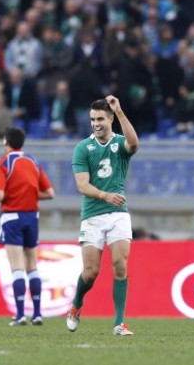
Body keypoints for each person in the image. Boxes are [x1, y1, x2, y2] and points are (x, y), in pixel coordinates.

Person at [67, 96, 139, 336]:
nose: (96, 123)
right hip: (93, 215)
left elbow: (134, 144)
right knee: (90, 273)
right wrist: (105, 195)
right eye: (92, 119)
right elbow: (82, 185)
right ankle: (77, 305)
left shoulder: (120, 144)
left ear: (109, 119)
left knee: (120, 265)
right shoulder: (83, 148)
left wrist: (119, 110)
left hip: (118, 213)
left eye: (100, 118)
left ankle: (119, 323)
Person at [0, 127, 55, 326]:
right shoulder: (33, 161)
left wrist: (12, 194)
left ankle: (20, 315)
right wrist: (28, 195)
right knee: (32, 265)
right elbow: (50, 193)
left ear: (5, 142)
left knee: (17, 267)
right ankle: (37, 313)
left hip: (12, 217)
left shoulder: (4, 162)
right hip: (32, 217)